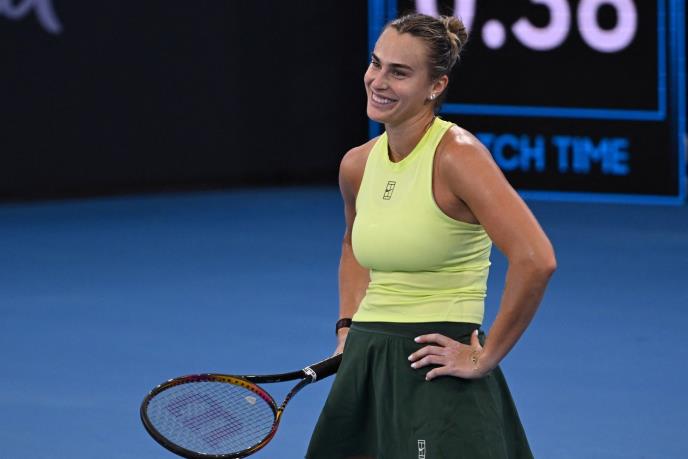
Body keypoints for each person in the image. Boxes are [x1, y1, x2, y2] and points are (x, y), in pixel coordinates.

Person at [306, 13, 556, 459]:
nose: (378, 81)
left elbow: (536, 259)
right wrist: (347, 327)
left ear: (435, 86)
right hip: (366, 362)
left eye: (399, 72)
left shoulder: (458, 157)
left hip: (434, 366)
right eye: (376, 63)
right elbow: (353, 245)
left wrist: (484, 356)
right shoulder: (357, 164)